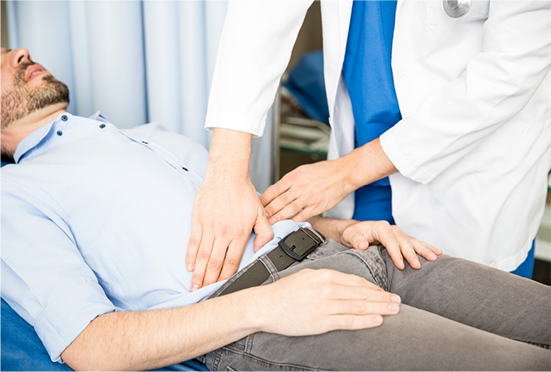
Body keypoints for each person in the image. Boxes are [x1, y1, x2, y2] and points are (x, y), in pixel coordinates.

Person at [1, 47, 550, 371]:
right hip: (272, 315)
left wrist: (347, 226)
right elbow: (92, 349)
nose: (20, 52)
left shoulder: (145, 136)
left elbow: (254, 217)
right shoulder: (16, 195)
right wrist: (265, 308)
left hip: (351, 254)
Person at [188, 0, 551, 290]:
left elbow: (514, 66)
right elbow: (261, 11)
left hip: (471, 174)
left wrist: (346, 174)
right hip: (360, 165)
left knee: (479, 332)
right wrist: (227, 169)